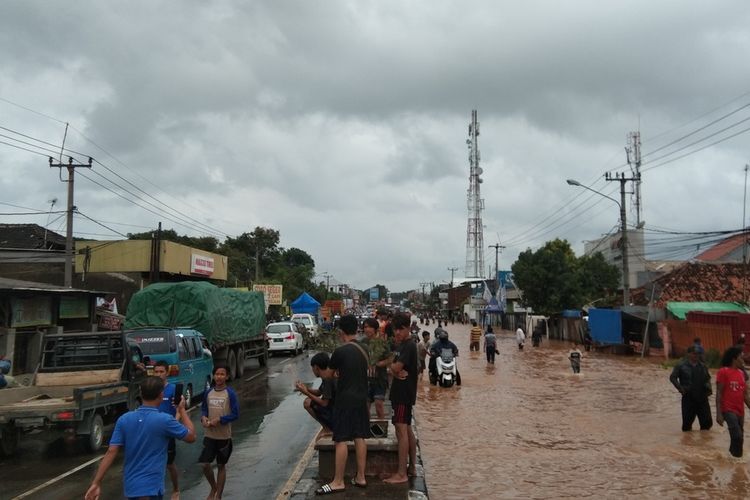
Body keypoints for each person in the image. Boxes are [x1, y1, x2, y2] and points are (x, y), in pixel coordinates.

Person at [85, 376, 196, 500]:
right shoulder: (165, 420)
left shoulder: (124, 419)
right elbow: (191, 436)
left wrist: (96, 482)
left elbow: (111, 451)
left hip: (131, 488)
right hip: (151, 489)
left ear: (141, 393)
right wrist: (181, 409)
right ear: (161, 395)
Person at [316, 314, 369, 495]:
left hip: (345, 401)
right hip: (362, 400)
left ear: (340, 332)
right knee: (360, 437)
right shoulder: (365, 348)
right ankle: (361, 477)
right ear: (357, 329)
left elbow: (327, 376)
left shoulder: (340, 352)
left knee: (341, 440)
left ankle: (338, 481)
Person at [384, 313, 419, 484]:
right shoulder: (401, 345)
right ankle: (411, 467)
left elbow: (395, 367)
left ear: (408, 328)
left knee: (401, 430)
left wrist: (392, 369)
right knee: (407, 429)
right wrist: (394, 369)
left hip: (403, 393)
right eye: (395, 330)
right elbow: (394, 366)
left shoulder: (409, 346)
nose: (397, 333)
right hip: (401, 392)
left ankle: (401, 473)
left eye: (400, 329)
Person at [200, 365, 240, 500]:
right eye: (217, 374)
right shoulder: (208, 392)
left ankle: (219, 496)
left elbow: (235, 414)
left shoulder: (231, 393)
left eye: (222, 374)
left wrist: (221, 419)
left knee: (221, 465)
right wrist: (204, 418)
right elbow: (204, 409)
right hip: (209, 435)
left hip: (224, 436)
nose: (219, 377)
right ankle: (213, 487)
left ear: (227, 376)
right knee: (205, 464)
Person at [153, 360, 183, 499]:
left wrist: (174, 424)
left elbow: (180, 408)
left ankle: (176, 488)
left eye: (161, 372)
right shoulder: (152, 390)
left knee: (169, 464)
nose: (159, 374)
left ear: (167, 372)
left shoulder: (172, 389)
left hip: (168, 431)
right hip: (153, 432)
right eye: (156, 372)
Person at [716, 347, 750, 457]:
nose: (743, 359)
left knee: (740, 439)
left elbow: (745, 395)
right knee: (737, 435)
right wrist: (719, 413)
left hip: (740, 410)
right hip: (728, 409)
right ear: (734, 359)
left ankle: (734, 459)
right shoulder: (723, 372)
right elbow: (719, 393)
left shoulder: (741, 374)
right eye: (741, 357)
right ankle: (733, 457)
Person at [669, 346, 712, 432]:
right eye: (694, 353)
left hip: (702, 397)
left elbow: (708, 378)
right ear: (688, 354)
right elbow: (672, 377)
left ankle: (703, 443)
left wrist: (709, 389)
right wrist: (680, 388)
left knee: (707, 424)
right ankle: (687, 443)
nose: (696, 355)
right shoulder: (681, 366)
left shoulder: (703, 366)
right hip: (688, 397)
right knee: (687, 425)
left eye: (698, 354)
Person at [296, 352, 336, 434]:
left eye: (312, 368)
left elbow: (324, 403)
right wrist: (305, 388)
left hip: (336, 414)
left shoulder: (327, 379)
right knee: (310, 400)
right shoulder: (327, 376)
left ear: (316, 368)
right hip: (336, 410)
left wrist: (306, 393)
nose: (312, 371)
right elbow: (318, 392)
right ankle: (328, 427)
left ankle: (327, 429)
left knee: (307, 402)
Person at [361, 317, 390, 420]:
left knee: (378, 405)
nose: (367, 329)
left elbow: (390, 359)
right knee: (365, 406)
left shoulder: (382, 343)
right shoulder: (362, 343)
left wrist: (379, 364)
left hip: (380, 380)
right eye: (365, 327)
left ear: (375, 329)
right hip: (366, 380)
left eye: (369, 327)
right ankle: (367, 429)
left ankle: (381, 427)